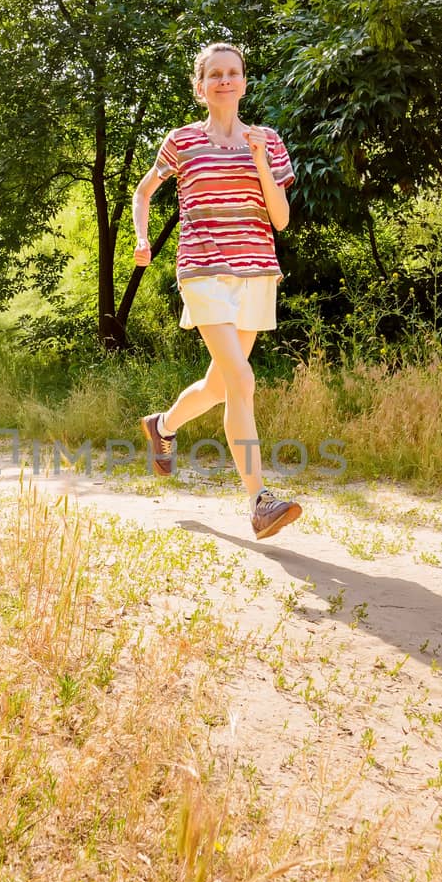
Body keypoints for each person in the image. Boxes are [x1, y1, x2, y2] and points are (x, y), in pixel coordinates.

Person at [132, 41, 302, 540]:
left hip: (256, 272)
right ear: (200, 86)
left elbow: (281, 219)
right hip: (202, 270)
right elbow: (144, 191)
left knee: (221, 385)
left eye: (234, 72)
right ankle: (260, 500)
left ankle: (162, 425)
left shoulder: (266, 140)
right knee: (243, 379)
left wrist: (261, 164)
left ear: (244, 82)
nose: (225, 80)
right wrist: (143, 239)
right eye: (215, 74)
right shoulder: (182, 142)